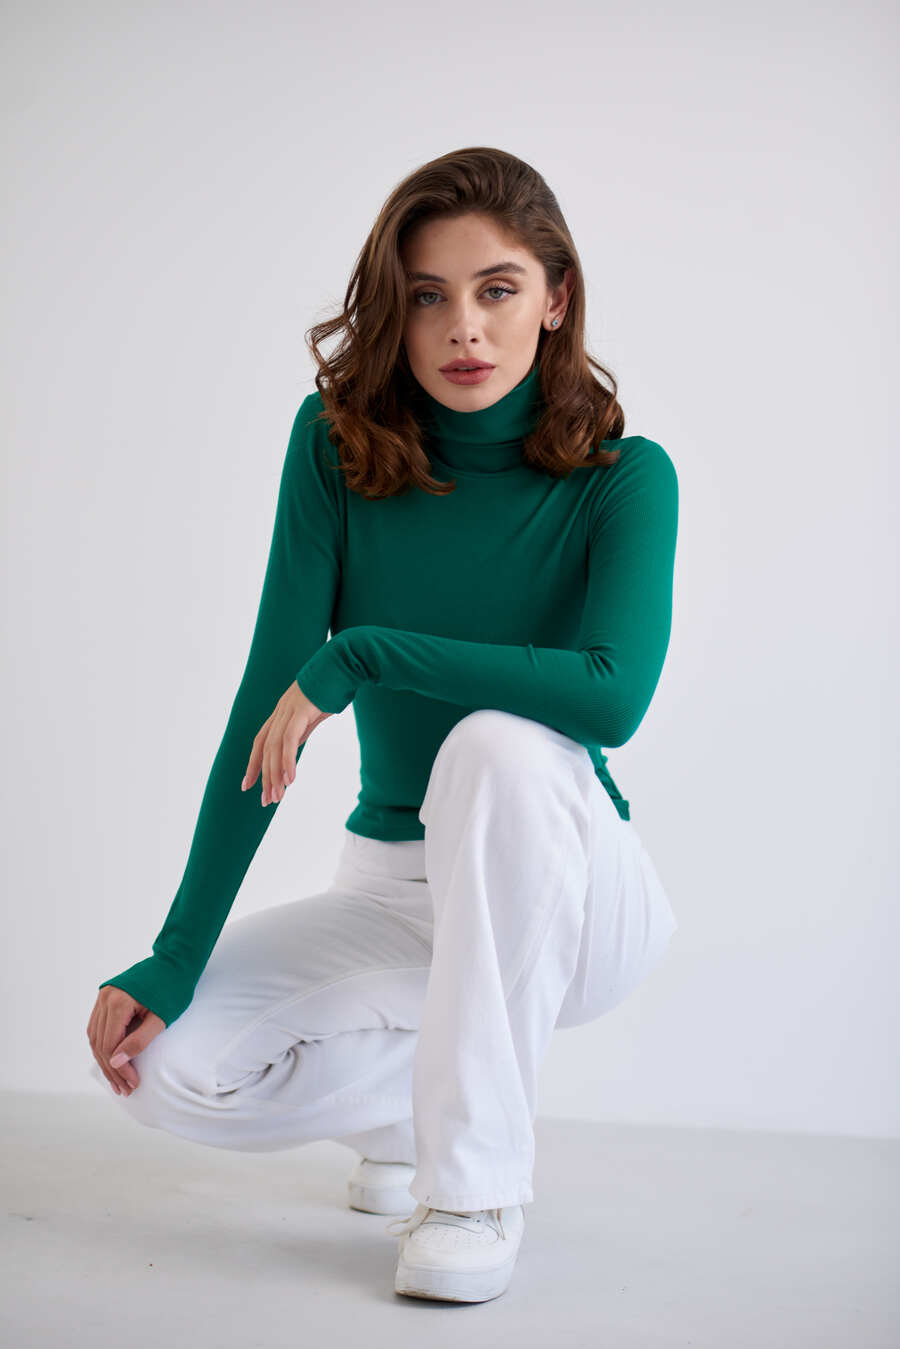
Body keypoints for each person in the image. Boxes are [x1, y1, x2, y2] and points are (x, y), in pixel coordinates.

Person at [86, 145, 680, 1304]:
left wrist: (365, 650)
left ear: (556, 298)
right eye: (426, 296)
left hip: (570, 888)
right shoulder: (337, 449)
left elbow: (611, 695)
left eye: (498, 288)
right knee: (159, 1068)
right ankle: (420, 1113)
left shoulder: (624, 477)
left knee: (496, 741)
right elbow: (267, 708)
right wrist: (176, 949)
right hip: (395, 884)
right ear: (394, 311)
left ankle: (472, 1184)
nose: (465, 327)